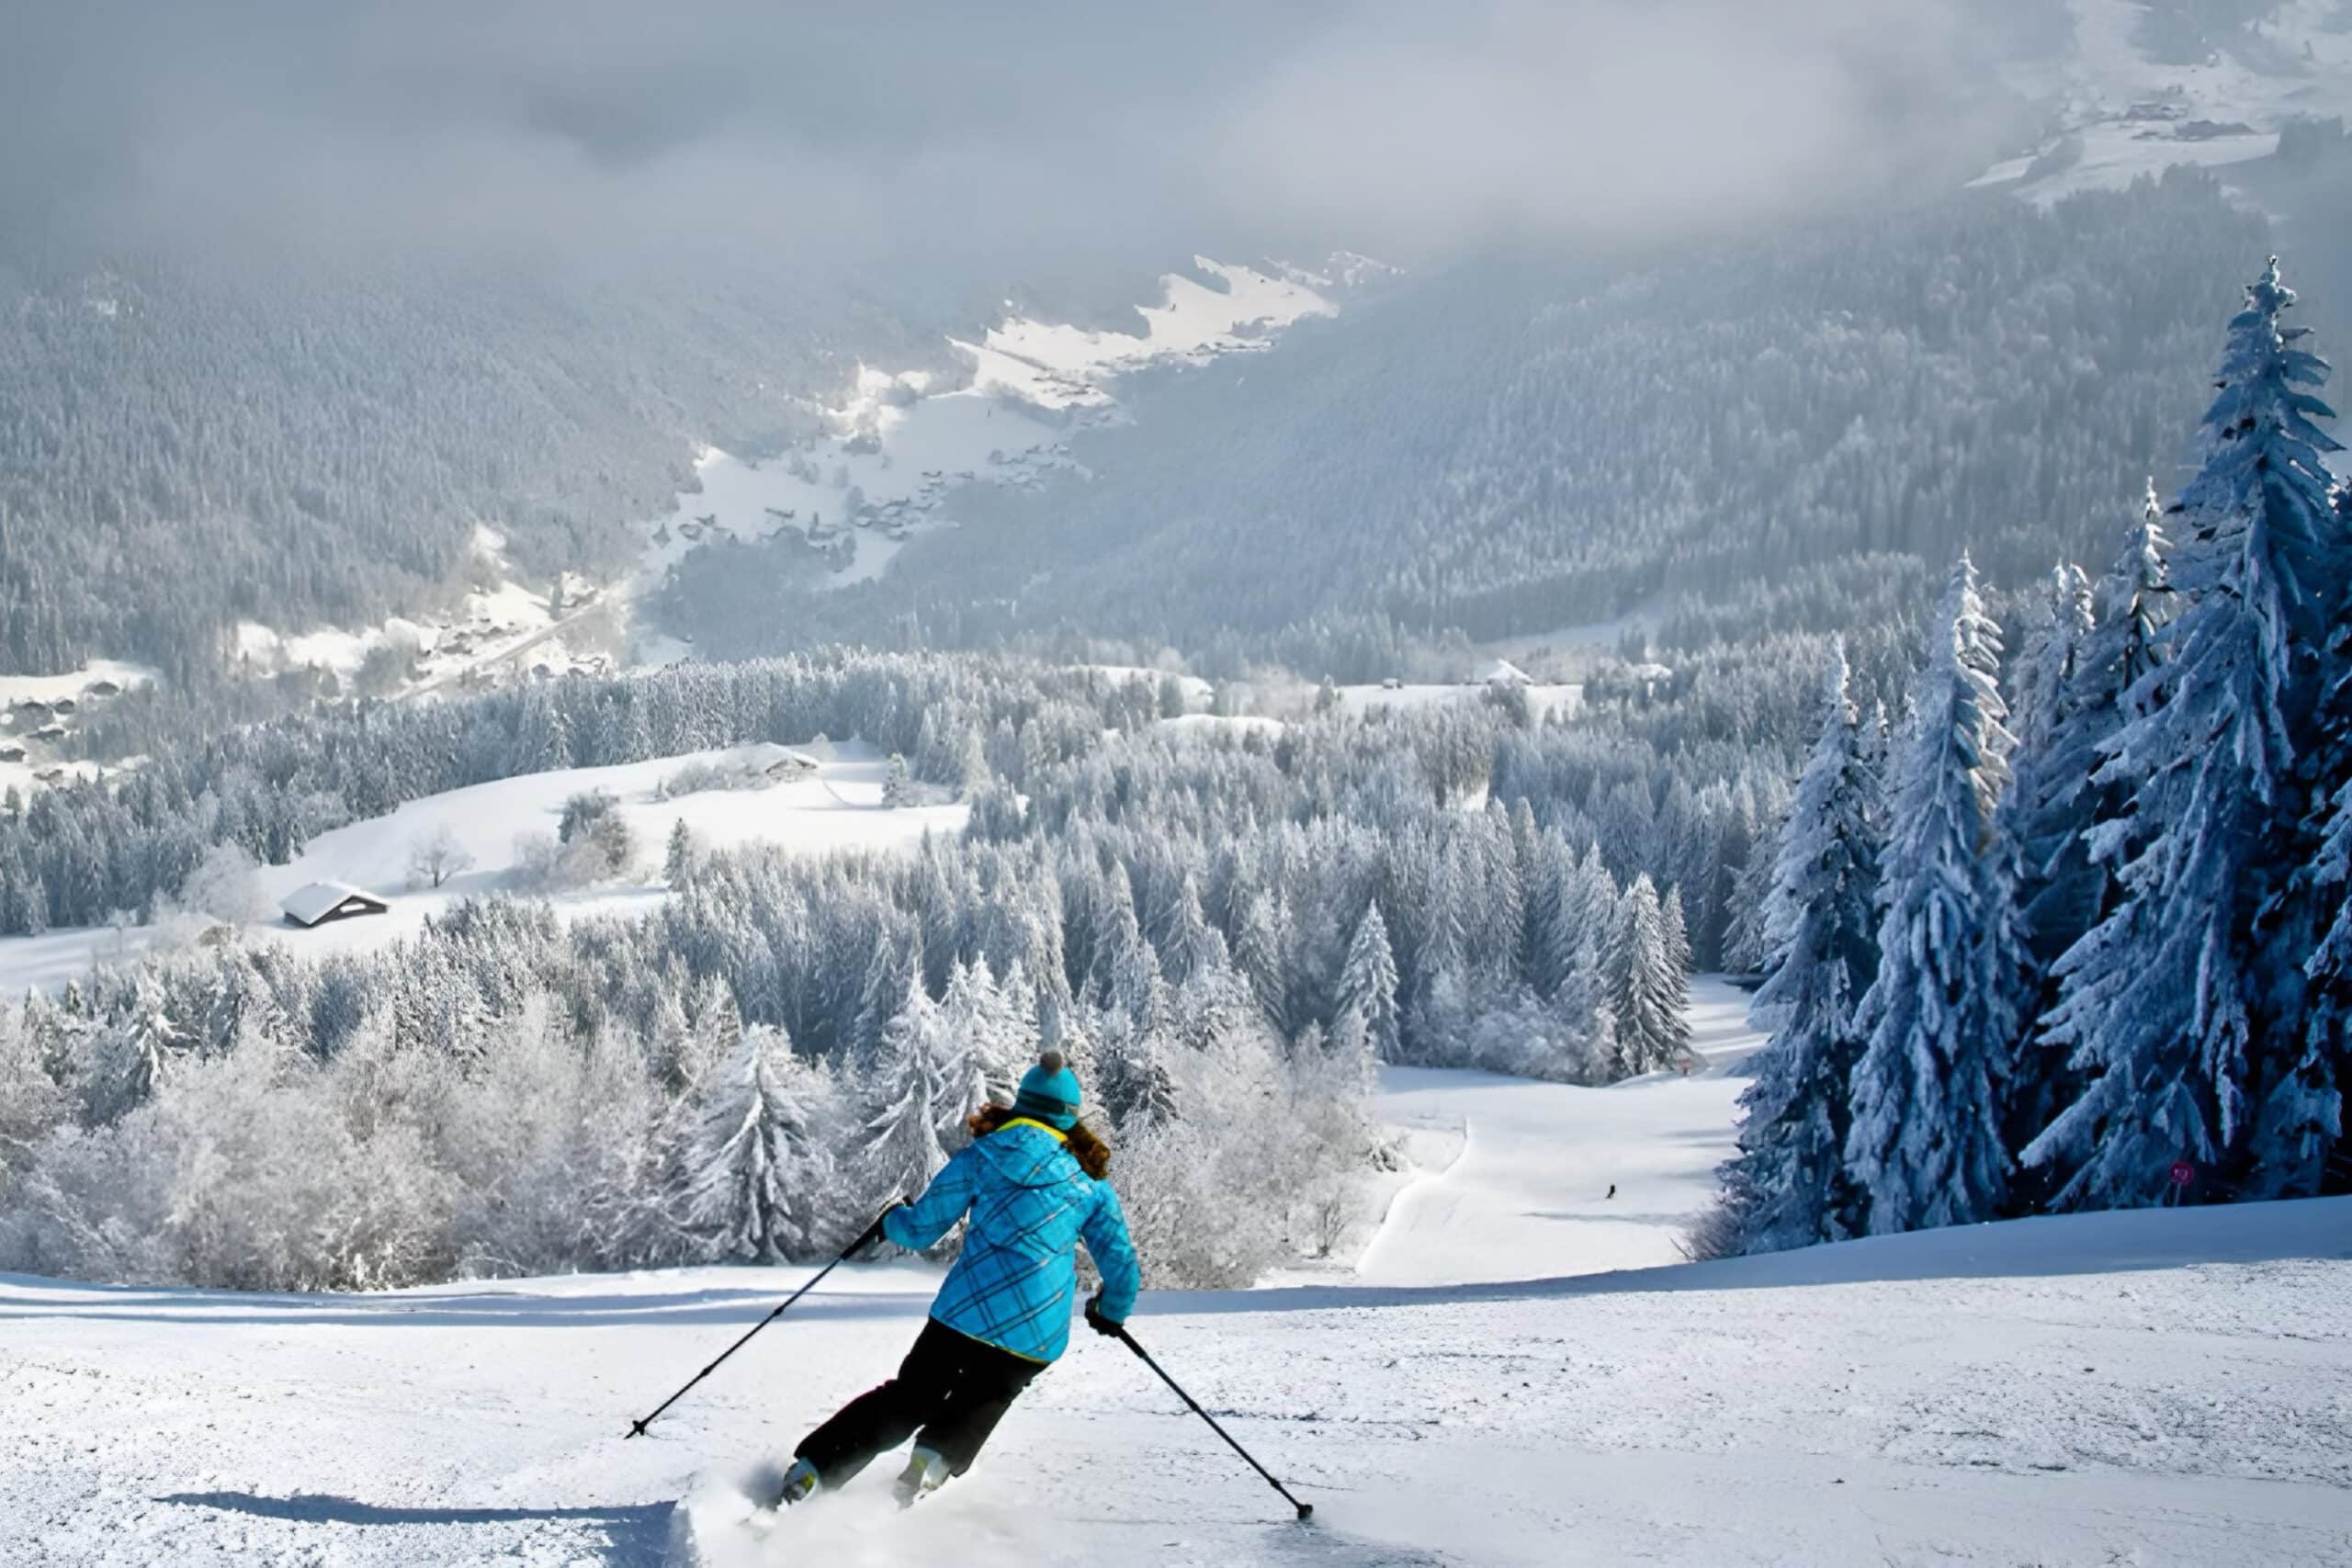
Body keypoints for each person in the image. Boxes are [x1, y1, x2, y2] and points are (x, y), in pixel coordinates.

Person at [775, 1050, 1140, 1506]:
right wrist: (1110, 1311)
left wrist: (891, 1222)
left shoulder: (981, 1157)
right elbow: (1121, 1264)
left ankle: (814, 1470)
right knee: (990, 1393)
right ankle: (931, 1462)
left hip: (963, 1315)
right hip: (1035, 1331)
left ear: (1021, 1104)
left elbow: (923, 1227)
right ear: (1070, 1117)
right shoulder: (1091, 1184)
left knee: (910, 1397)